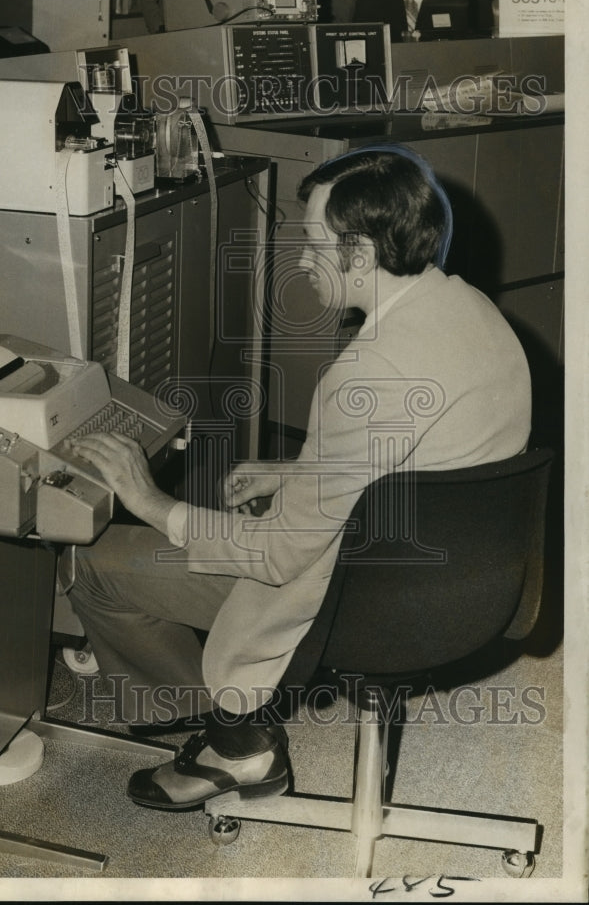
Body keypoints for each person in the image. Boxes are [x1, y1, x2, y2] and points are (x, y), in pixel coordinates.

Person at [67, 147, 532, 810]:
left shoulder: (365, 373)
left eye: (314, 243)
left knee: (97, 564)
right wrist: (302, 470)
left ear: (362, 255)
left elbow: (279, 553)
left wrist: (149, 499)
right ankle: (231, 733)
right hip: (471, 577)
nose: (302, 260)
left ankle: (235, 743)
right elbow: (431, 460)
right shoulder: (471, 310)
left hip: (371, 601)